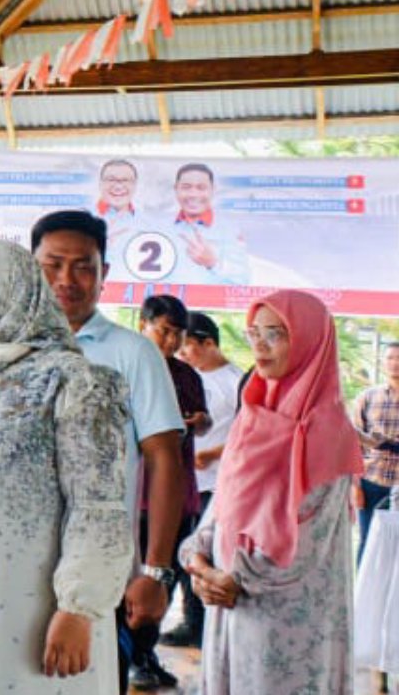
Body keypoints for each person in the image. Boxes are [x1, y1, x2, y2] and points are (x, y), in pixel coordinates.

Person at [0, 238, 129, 695]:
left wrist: (79, 607)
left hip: (42, 604)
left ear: (15, 288)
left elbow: (98, 503)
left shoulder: (76, 379)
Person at [29, 211, 185, 695]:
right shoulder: (7, 347)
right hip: (12, 567)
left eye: (83, 267)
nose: (66, 280)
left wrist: (156, 571)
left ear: (104, 274)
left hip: (98, 574)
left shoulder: (133, 354)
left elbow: (164, 460)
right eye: (52, 264)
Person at [180, 290, 363, 695]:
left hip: (289, 620)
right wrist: (199, 560)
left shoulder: (328, 431)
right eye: (253, 333)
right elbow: (221, 510)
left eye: (275, 334)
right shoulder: (251, 417)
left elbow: (306, 542)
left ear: (309, 341)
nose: (259, 345)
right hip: (229, 605)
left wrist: (231, 576)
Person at [126, 294, 205, 689]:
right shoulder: (127, 366)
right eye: (165, 331)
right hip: (135, 496)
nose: (172, 341)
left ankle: (145, 653)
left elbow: (200, 422)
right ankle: (129, 655)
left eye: (178, 334)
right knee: (129, 581)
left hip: (179, 495)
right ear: (144, 324)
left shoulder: (187, 376)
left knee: (165, 580)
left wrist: (199, 420)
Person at [163, 311, 243, 647]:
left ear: (208, 343)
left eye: (188, 348)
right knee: (182, 555)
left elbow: (247, 435)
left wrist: (210, 455)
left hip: (217, 484)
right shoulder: (185, 378)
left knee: (207, 555)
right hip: (184, 483)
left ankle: (202, 626)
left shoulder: (237, 381)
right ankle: (190, 621)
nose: (182, 354)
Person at [350, 343, 399, 559]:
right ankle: (362, 592)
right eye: (389, 358)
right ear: (383, 362)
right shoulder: (367, 397)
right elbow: (352, 446)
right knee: (367, 540)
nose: (394, 363)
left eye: (398, 358)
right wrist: (355, 486)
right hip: (372, 482)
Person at [170, 163, 250, 286]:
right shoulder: (160, 226)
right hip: (167, 303)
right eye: (186, 187)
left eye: (201, 188)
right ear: (176, 189)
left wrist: (212, 263)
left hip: (208, 304)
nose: (193, 194)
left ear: (212, 190)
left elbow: (241, 281)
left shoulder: (229, 230)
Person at [94, 160, 142, 270]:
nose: (119, 186)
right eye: (111, 179)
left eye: (125, 180)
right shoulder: (83, 219)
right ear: (100, 183)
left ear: (135, 185)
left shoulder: (148, 222)